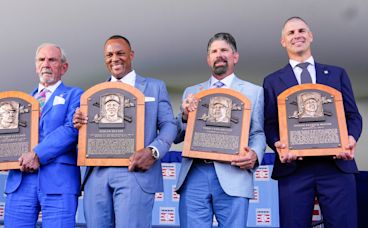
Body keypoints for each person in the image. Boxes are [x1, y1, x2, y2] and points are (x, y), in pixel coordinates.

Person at [263, 17, 362, 228]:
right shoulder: (272, 81)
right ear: (283, 41)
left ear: (310, 36)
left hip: (336, 166)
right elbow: (270, 124)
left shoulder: (337, 74)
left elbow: (353, 116)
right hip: (294, 170)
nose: (297, 35)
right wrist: (278, 144)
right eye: (291, 33)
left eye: (301, 30)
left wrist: (350, 139)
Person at [0, 43, 83, 227]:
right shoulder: (18, 102)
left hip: (58, 181)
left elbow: (71, 129)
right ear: (36, 66)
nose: (46, 64)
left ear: (64, 67)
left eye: (52, 60)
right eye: (41, 59)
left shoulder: (75, 95)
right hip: (20, 182)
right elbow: (5, 134)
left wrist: (37, 154)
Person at [73, 35, 177, 228]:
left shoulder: (155, 87)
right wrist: (79, 124)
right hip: (97, 174)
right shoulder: (93, 94)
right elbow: (84, 133)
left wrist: (153, 151)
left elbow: (170, 125)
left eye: (120, 53)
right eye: (109, 55)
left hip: (135, 172)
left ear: (131, 55)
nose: (115, 59)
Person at [174, 32, 266, 227]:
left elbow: (257, 132)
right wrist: (184, 115)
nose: (219, 55)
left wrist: (255, 155)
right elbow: (177, 134)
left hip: (234, 173)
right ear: (209, 60)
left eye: (224, 50)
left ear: (235, 56)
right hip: (195, 174)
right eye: (214, 51)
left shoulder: (254, 91)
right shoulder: (192, 93)